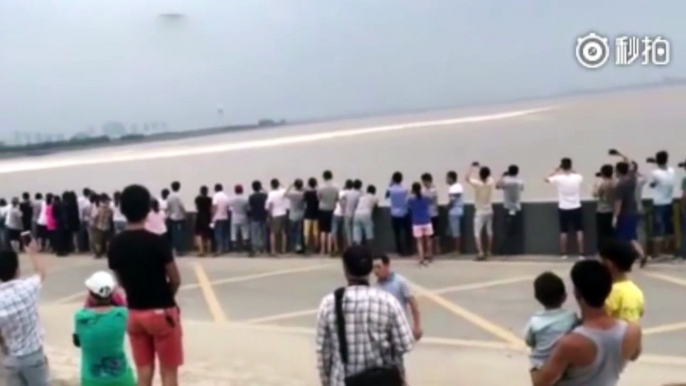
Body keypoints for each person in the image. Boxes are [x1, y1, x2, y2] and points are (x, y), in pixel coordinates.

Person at [107, 184, 183, 386]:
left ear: (122, 210)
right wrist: (167, 296)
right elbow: (175, 278)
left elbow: (120, 279)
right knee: (168, 371)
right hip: (160, 311)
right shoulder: (157, 242)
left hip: (134, 313)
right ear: (147, 209)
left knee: (144, 370)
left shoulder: (115, 243)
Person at [532, 260, 642, 386]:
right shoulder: (632, 331)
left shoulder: (571, 343)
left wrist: (535, 363)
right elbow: (634, 355)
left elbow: (540, 383)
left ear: (577, 293)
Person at [315, 245, 414, 386]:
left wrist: (326, 382)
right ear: (369, 270)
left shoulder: (329, 304)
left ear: (345, 269)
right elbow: (405, 344)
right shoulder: (387, 301)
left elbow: (323, 355)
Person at [73, 271, 136, 386]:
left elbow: (78, 342)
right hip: (122, 379)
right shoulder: (122, 314)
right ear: (112, 294)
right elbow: (123, 303)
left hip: (92, 380)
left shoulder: (81, 317)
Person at [0, 240, 49, 386]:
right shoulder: (28, 288)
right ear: (18, 270)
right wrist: (32, 253)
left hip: (10, 359)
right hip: (33, 356)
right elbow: (41, 272)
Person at [524, 272, 578, 370]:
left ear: (537, 298)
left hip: (540, 366)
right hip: (565, 365)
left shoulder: (535, 321)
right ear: (564, 297)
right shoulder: (571, 318)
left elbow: (529, 341)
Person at [373, 255, 423, 341]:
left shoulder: (400, 282)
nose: (376, 271)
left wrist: (416, 326)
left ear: (387, 265)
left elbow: (413, 304)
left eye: (378, 267)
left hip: (399, 328)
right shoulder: (376, 287)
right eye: (374, 268)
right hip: (383, 331)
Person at [545, 158, 585, 260]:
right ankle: (581, 253)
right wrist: (572, 170)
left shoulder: (558, 178)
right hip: (576, 206)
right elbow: (579, 175)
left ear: (562, 166)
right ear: (571, 166)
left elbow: (546, 179)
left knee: (564, 231)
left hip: (563, 207)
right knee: (579, 230)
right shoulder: (577, 177)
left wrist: (556, 170)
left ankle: (563, 253)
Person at [598, 239, 645, 323]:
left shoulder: (610, 293)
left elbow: (598, 320)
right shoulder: (637, 291)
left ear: (609, 264)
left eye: (602, 261)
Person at [613, 161, 646, 260]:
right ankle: (640, 254)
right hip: (633, 210)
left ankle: (631, 256)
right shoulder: (632, 180)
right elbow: (633, 168)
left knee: (624, 237)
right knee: (631, 236)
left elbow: (619, 202)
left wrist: (615, 216)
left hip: (625, 213)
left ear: (618, 171)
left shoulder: (620, 185)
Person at [648, 150, 675, 260]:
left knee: (658, 228)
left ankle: (657, 253)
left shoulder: (654, 173)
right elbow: (665, 171)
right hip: (669, 202)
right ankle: (670, 251)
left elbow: (652, 184)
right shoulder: (672, 171)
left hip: (658, 203)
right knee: (669, 227)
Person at [466, 162, 495, 260]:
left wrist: (472, 167)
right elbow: (488, 174)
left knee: (477, 233)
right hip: (489, 209)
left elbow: (467, 178)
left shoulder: (478, 184)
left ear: (480, 175)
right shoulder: (491, 182)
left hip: (480, 211)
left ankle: (481, 252)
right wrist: (480, 166)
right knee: (489, 231)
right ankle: (489, 251)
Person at [496, 165, 525, 255]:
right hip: (517, 208)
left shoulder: (505, 181)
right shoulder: (520, 181)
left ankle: (506, 250)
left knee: (506, 230)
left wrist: (502, 176)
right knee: (516, 231)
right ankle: (516, 250)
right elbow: (522, 189)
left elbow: (497, 186)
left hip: (507, 207)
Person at [387, 172, 412, 256]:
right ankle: (408, 249)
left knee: (397, 234)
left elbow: (386, 196)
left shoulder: (391, 189)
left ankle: (399, 250)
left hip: (394, 214)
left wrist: (390, 184)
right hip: (404, 213)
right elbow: (408, 199)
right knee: (407, 233)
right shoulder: (405, 189)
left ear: (393, 179)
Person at [408, 182, 433, 265]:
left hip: (416, 222)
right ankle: (429, 255)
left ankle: (421, 258)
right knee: (428, 239)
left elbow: (409, 207)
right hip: (426, 220)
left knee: (419, 241)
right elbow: (431, 201)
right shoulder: (426, 197)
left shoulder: (411, 199)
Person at [593, 164, 615, 248]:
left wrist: (595, 185)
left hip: (602, 211)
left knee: (602, 233)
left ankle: (602, 251)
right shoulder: (615, 182)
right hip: (612, 210)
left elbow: (595, 194)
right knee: (611, 232)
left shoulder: (602, 184)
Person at [317, 170, 339, 255]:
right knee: (330, 230)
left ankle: (323, 249)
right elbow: (337, 198)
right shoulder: (335, 187)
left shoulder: (321, 187)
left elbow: (318, 197)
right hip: (332, 209)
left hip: (322, 209)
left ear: (324, 177)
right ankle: (330, 249)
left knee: (323, 231)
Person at [266, 178, 288, 255]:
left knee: (273, 233)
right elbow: (285, 188)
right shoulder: (281, 192)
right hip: (283, 213)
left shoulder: (271, 194)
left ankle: (273, 250)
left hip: (275, 214)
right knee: (283, 232)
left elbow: (269, 205)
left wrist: (269, 215)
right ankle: (283, 249)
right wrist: (280, 184)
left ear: (271, 185)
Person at [421, 173, 441, 256]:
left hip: (433, 213)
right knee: (428, 234)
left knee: (435, 233)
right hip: (426, 214)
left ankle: (437, 249)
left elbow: (429, 199)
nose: (423, 183)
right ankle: (430, 251)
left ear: (427, 181)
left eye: (424, 181)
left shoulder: (433, 190)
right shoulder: (424, 190)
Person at [331, 179, 352, 255]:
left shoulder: (341, 192)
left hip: (336, 213)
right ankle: (345, 248)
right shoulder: (350, 193)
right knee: (345, 233)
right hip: (345, 215)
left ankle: (336, 248)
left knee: (334, 232)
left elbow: (336, 200)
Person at [285, 179, 306, 253]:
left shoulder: (292, 194)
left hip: (292, 215)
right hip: (301, 214)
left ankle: (294, 246)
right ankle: (299, 246)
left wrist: (290, 186)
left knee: (292, 231)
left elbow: (285, 194)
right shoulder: (303, 194)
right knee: (299, 232)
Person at [166, 181, 187, 256]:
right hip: (180, 217)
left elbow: (168, 207)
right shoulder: (179, 196)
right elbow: (182, 206)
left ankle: (175, 249)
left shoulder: (169, 196)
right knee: (180, 234)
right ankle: (180, 250)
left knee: (174, 234)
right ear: (179, 187)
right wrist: (185, 213)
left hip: (172, 217)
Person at [446, 171, 464, 254]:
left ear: (451, 178)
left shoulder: (453, 188)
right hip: (460, 210)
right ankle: (456, 249)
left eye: (447, 178)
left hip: (454, 211)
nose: (446, 179)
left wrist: (447, 207)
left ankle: (456, 250)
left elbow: (452, 200)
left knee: (455, 231)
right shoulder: (459, 186)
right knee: (456, 231)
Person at [248, 181, 268, 256]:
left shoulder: (251, 197)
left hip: (255, 216)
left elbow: (249, 208)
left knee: (255, 233)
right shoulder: (264, 195)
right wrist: (263, 188)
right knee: (263, 233)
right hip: (263, 216)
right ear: (260, 187)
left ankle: (256, 248)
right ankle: (263, 247)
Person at [229, 184, 250, 254]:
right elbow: (248, 208)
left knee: (234, 232)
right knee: (245, 231)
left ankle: (234, 246)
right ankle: (245, 244)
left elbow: (230, 208)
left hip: (235, 216)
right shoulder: (245, 199)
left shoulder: (232, 199)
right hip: (243, 216)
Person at [341, 179, 362, 247]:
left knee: (348, 231)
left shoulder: (347, 193)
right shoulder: (360, 194)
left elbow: (342, 201)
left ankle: (349, 246)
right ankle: (356, 245)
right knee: (356, 231)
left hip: (347, 214)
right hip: (356, 214)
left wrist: (343, 210)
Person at [211, 184, 230, 255]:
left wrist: (212, 216)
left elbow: (214, 207)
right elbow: (228, 207)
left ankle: (220, 249)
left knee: (218, 234)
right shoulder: (226, 196)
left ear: (215, 189)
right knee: (225, 233)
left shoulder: (216, 196)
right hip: (225, 217)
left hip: (217, 217)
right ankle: (226, 247)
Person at [92, 194, 113, 259]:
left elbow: (95, 217)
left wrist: (94, 225)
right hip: (107, 226)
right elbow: (110, 218)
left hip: (99, 226)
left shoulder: (99, 209)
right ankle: (107, 253)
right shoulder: (109, 209)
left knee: (98, 241)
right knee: (107, 241)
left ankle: (98, 253)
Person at [303, 177, 320, 254]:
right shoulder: (317, 193)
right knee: (315, 232)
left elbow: (304, 201)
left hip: (308, 213)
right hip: (316, 213)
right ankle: (316, 247)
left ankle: (306, 246)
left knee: (306, 232)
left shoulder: (307, 193)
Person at [194, 186, 212, 257]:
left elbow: (197, 207)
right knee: (208, 234)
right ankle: (209, 249)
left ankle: (201, 250)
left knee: (199, 234)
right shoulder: (209, 199)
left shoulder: (197, 199)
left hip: (200, 216)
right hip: (207, 217)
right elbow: (210, 208)